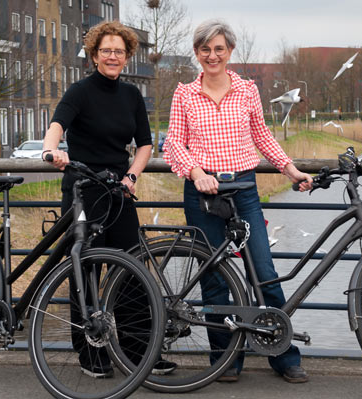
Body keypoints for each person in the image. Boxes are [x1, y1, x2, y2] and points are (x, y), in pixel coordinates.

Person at [163, 19, 313, 384]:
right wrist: (195, 172)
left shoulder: (247, 90)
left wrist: (290, 170)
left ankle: (283, 355)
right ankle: (226, 358)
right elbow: (172, 144)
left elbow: (262, 136)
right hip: (202, 194)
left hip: (244, 192)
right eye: (205, 49)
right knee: (214, 278)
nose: (212, 55)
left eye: (219, 48)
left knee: (264, 274)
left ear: (230, 51)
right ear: (197, 54)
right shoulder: (184, 94)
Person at [42, 20, 175, 378]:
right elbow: (57, 125)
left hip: (118, 189)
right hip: (84, 189)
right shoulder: (80, 91)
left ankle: (138, 352)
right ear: (94, 55)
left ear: (127, 56)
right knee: (85, 270)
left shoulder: (132, 95)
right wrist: (51, 151)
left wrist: (132, 175)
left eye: (119, 51)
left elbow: (145, 144)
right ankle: (89, 352)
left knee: (133, 270)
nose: (112, 57)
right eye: (106, 51)